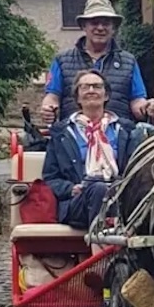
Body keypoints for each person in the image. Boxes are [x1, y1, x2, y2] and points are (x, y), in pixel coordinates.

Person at [42, 69, 144, 254]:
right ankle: (101, 261)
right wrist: (71, 189)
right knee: (97, 188)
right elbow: (50, 178)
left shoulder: (126, 129)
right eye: (85, 87)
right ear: (77, 97)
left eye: (97, 86)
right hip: (79, 201)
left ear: (106, 95)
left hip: (119, 197)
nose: (91, 90)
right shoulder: (62, 132)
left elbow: (136, 169)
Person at [41, 0, 154, 125]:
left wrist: (147, 107)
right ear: (84, 26)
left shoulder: (129, 61)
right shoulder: (62, 60)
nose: (100, 28)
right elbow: (52, 97)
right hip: (73, 137)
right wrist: (48, 109)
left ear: (113, 28)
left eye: (106, 23)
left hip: (119, 138)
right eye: (94, 23)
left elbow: (137, 102)